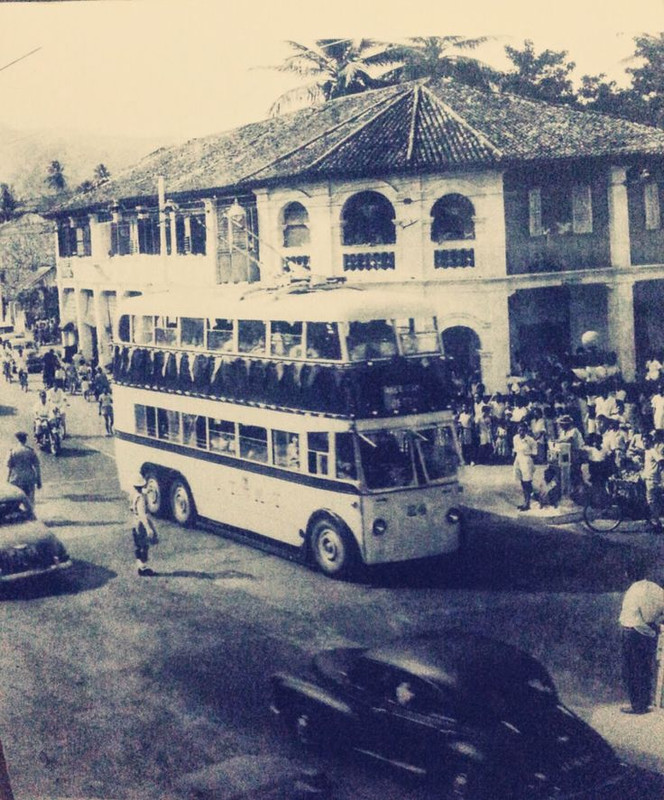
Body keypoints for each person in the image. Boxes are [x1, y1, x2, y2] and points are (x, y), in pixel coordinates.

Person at [618, 572, 664, 714]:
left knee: (632, 669)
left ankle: (638, 706)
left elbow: (631, 617)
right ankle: (644, 702)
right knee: (645, 667)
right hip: (649, 631)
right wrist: (654, 627)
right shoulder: (655, 589)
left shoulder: (633, 591)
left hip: (632, 631)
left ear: (628, 575)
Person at [130, 474, 159, 576]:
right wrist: (148, 528)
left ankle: (139, 566)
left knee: (138, 545)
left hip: (134, 522)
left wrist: (148, 491)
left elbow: (132, 507)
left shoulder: (134, 495)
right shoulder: (141, 499)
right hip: (141, 524)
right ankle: (143, 568)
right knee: (144, 546)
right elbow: (142, 515)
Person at [6, 431, 41, 507]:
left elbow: (9, 467)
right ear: (25, 440)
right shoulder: (30, 451)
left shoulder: (12, 451)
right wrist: (38, 481)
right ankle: (31, 516)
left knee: (15, 501)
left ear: (17, 440)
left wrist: (7, 480)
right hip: (29, 479)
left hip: (16, 479)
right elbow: (37, 467)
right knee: (30, 501)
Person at [642, 431, 664, 532]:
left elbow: (661, 461)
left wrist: (660, 473)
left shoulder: (653, 451)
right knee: (651, 502)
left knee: (652, 502)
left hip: (653, 480)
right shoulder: (646, 451)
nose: (645, 443)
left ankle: (657, 524)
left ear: (651, 441)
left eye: (646, 441)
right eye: (643, 441)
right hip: (648, 479)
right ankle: (655, 522)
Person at [513, 422, 537, 511]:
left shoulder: (531, 440)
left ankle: (528, 503)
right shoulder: (515, 438)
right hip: (518, 459)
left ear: (526, 430)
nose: (521, 432)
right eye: (519, 429)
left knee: (527, 482)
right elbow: (515, 450)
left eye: (523, 430)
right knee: (522, 482)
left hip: (527, 460)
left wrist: (528, 459)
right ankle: (526, 501)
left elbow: (535, 453)